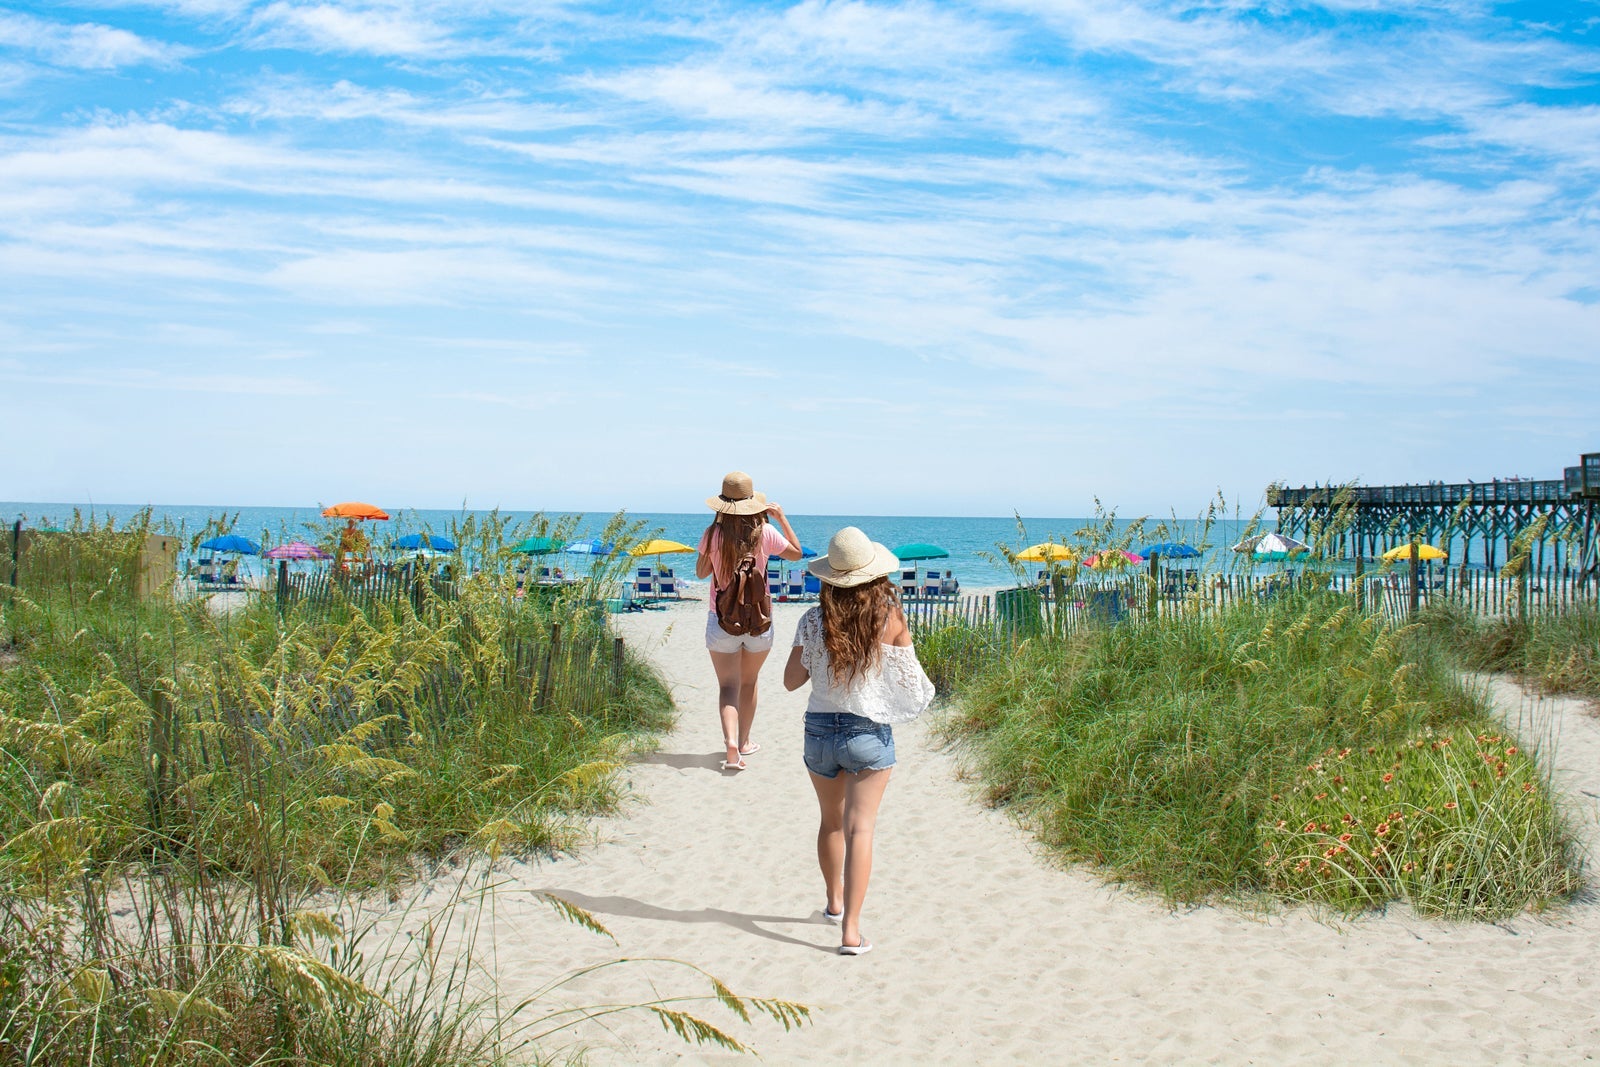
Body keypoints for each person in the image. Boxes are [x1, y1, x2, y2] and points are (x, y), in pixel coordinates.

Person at [784, 527, 935, 956]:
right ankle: (850, 931)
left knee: (831, 822)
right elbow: (912, 682)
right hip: (867, 732)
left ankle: (832, 903)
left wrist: (819, 656)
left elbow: (791, 681)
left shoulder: (813, 620)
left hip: (819, 731)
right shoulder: (890, 618)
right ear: (874, 575)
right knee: (860, 828)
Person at [695, 471, 803, 771]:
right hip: (759, 622)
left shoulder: (713, 534)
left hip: (721, 621)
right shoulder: (765, 532)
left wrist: (713, 542)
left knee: (728, 686)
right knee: (749, 681)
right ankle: (744, 742)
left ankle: (730, 744)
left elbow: (702, 573)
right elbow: (796, 554)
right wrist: (781, 517)